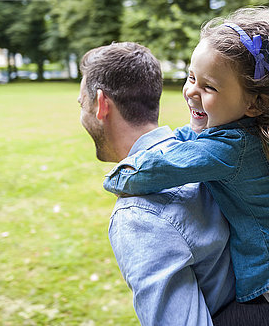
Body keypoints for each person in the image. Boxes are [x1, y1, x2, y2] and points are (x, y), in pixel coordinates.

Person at [104, 7, 269, 325]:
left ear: (254, 103)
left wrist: (119, 175)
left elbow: (156, 171)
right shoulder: (232, 133)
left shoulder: (230, 150)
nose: (192, 92)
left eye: (209, 87)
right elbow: (186, 140)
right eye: (191, 77)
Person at [78, 42, 235, 326]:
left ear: (101, 104)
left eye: (82, 104)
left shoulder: (139, 215)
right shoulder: (210, 156)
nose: (82, 114)